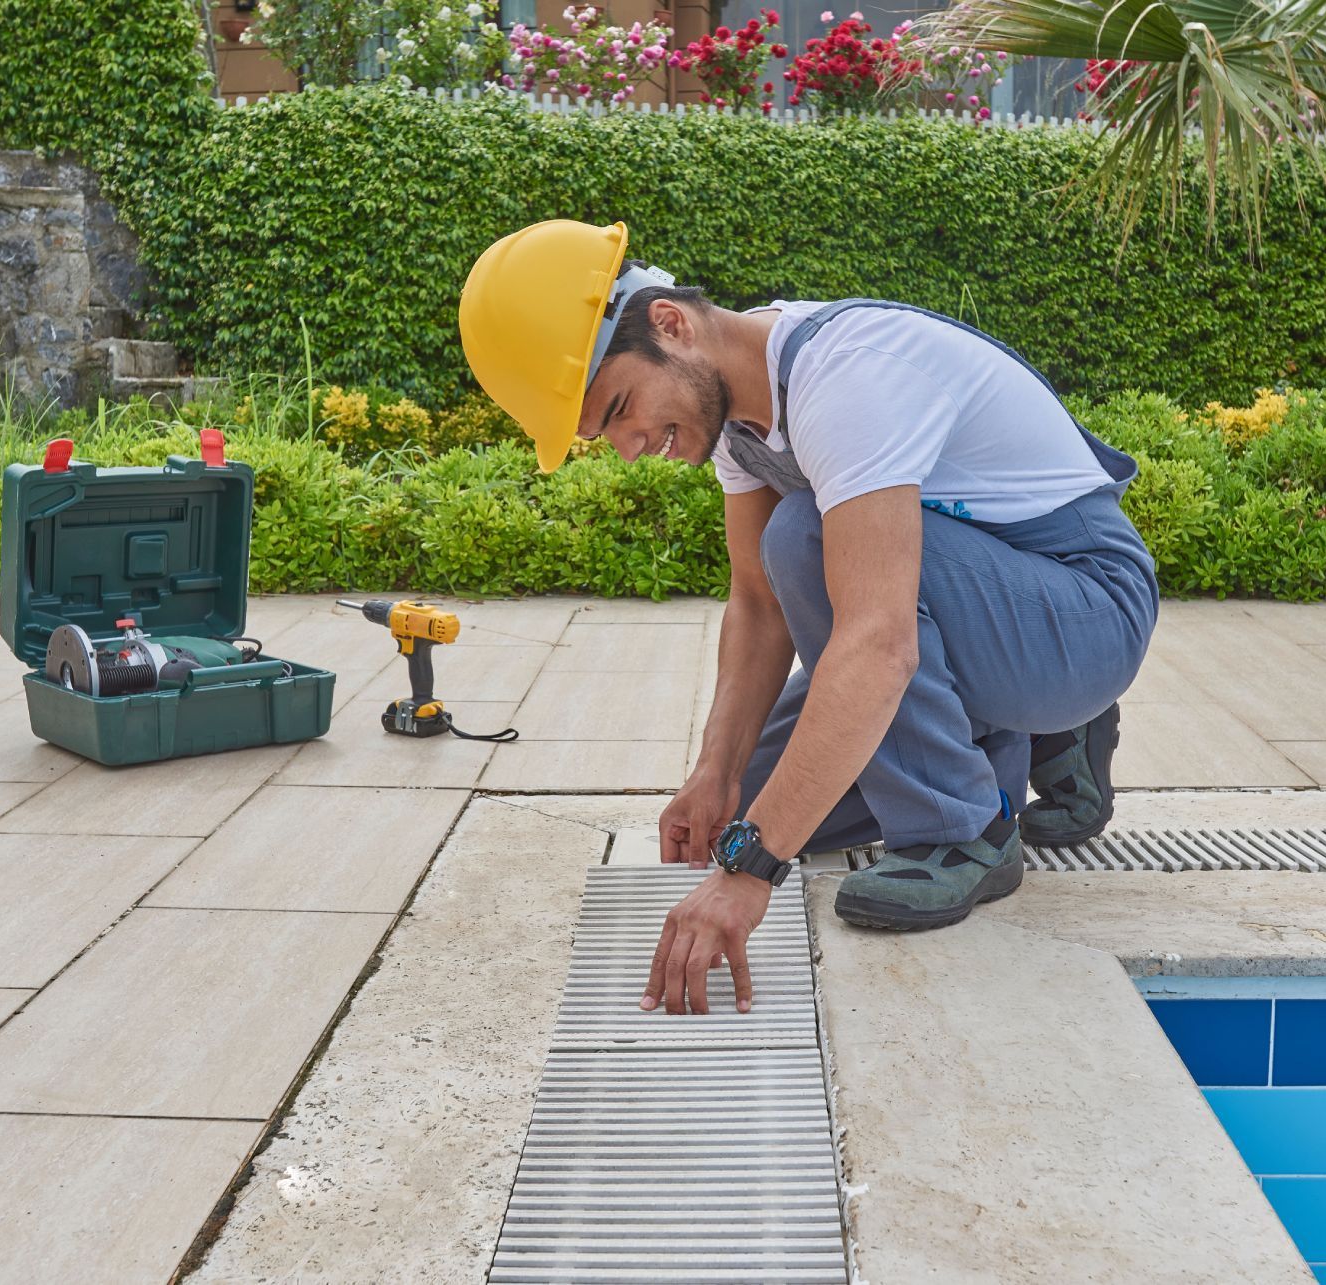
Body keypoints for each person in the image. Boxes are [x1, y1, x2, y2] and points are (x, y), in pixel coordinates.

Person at [458, 219, 1157, 1015]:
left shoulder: (846, 379)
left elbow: (879, 642)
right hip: (999, 602)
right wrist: (716, 774)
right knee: (757, 798)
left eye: (621, 407)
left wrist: (751, 873)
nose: (630, 445)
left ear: (670, 324)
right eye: (604, 435)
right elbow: (758, 605)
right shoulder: (740, 418)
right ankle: (1014, 733)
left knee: (806, 535)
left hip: (1087, 607)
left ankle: (963, 827)